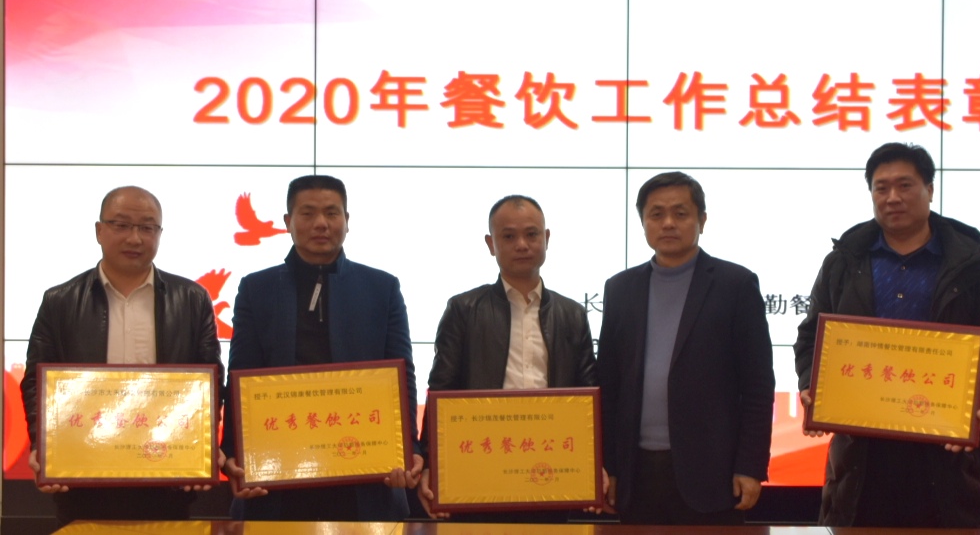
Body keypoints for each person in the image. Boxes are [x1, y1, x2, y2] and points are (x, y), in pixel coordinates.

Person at [793, 143, 980, 527]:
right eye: (881, 188)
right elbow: (812, 336)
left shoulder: (973, 266)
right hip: (862, 455)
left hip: (946, 455)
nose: (892, 197)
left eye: (905, 185)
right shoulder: (844, 262)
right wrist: (815, 384)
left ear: (930, 189)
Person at [220, 174, 421, 521]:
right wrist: (236, 454)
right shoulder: (257, 288)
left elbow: (402, 376)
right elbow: (241, 376)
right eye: (308, 213)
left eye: (331, 213)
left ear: (347, 220)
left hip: (364, 468)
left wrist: (409, 447)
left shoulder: (381, 287)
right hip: (278, 472)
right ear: (288, 221)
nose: (321, 223)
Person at [20, 186, 221, 525]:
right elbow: (36, 383)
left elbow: (210, 381)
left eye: (147, 227)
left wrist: (203, 447)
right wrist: (45, 446)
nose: (135, 237)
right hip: (83, 479)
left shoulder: (192, 299)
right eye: (122, 225)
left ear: (159, 234)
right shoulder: (60, 301)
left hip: (167, 480)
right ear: (99, 231)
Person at [597, 171, 774, 525]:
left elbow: (757, 385)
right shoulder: (620, 289)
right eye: (656, 214)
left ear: (702, 221)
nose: (668, 223)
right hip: (635, 472)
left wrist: (750, 465)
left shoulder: (736, 284)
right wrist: (609, 466)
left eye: (680, 213)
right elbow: (609, 386)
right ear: (643, 222)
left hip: (712, 472)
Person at [418, 194, 597, 520]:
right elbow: (441, 389)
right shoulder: (463, 309)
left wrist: (596, 463)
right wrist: (431, 463)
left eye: (531, 234)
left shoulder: (572, 314)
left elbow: (588, 394)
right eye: (509, 236)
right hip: (481, 467)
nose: (522, 245)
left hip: (551, 467)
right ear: (491, 244)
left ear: (546, 239)